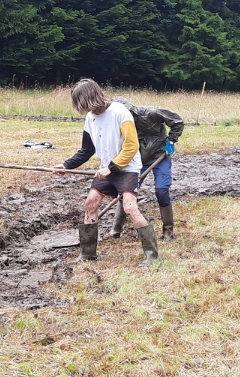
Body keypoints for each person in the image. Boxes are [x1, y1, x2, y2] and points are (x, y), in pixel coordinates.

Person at [52, 79, 159, 267]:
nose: (81, 108)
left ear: (90, 97)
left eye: (81, 103)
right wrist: (67, 165)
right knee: (90, 203)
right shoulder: (90, 118)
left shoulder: (120, 112)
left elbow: (132, 146)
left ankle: (152, 255)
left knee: (130, 209)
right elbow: (86, 150)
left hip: (127, 169)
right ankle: (87, 254)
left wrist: (112, 168)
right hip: (107, 169)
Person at [107, 96, 184, 241]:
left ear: (131, 110)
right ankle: (115, 230)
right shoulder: (117, 123)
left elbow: (177, 121)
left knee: (161, 191)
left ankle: (168, 231)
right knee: (125, 193)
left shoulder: (151, 113)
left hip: (160, 155)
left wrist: (172, 140)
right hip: (137, 160)